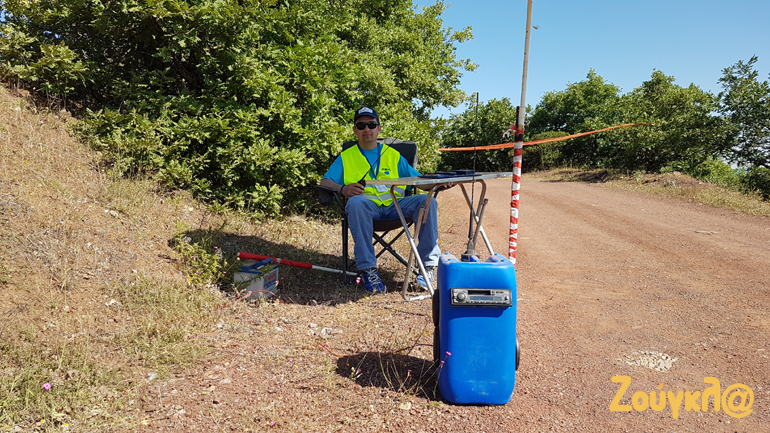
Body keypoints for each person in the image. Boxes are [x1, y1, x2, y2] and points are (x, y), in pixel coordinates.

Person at [320, 107, 449, 293]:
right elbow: (325, 181)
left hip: (396, 208)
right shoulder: (346, 157)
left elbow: (418, 181)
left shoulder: (393, 155)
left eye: (371, 124)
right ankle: (368, 269)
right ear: (355, 130)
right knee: (355, 203)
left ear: (379, 128)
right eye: (361, 125)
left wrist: (438, 184)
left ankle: (426, 268)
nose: (367, 129)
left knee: (427, 201)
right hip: (367, 210)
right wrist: (343, 189)